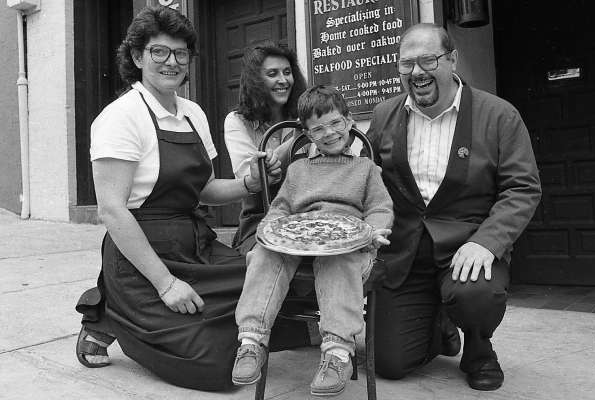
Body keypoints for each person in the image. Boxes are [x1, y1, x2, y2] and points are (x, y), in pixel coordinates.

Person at [74, 6, 303, 391]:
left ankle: (138, 313)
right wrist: (166, 284)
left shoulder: (192, 113)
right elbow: (112, 211)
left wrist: (250, 182)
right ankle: (111, 311)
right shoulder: (120, 117)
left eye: (181, 53)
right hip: (144, 255)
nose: (172, 62)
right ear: (137, 57)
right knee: (217, 366)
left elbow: (205, 189)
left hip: (195, 245)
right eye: (159, 52)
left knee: (267, 278)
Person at [365, 23, 542, 391]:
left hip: (466, 247)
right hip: (406, 254)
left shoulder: (499, 115)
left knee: (476, 295)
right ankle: (439, 324)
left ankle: (478, 347)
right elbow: (367, 175)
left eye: (428, 60)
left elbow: (522, 188)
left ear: (452, 60)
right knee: (389, 363)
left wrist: (487, 242)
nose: (417, 72)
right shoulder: (384, 115)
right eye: (406, 64)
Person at [231, 85, 394, 397]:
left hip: (349, 245)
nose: (329, 133)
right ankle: (251, 341)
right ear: (306, 134)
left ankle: (337, 352)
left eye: (335, 123)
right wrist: (270, 229)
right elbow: (280, 209)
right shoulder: (298, 170)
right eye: (318, 129)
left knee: (338, 260)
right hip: (299, 239)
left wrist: (374, 230)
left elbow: (379, 208)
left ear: (349, 121)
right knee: (264, 254)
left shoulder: (365, 169)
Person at [224, 41, 307, 256]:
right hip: (260, 219)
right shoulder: (237, 121)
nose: (283, 80)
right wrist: (300, 137)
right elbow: (249, 174)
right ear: (256, 80)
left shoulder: (306, 114)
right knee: (269, 256)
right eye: (272, 74)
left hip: (308, 215)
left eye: (287, 72)